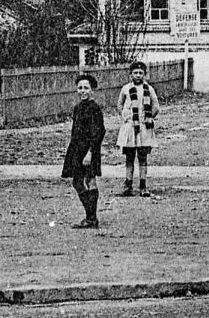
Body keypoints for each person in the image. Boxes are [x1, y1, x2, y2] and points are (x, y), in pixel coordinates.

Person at [61, 72, 106, 229]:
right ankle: (91, 217)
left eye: (86, 88)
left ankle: (91, 217)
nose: (82, 91)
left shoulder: (94, 109)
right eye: (80, 88)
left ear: (92, 90)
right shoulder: (78, 108)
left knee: (88, 180)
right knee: (78, 181)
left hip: (88, 151)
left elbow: (98, 132)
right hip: (77, 150)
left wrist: (90, 153)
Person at [116, 61, 159, 197]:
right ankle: (128, 185)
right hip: (130, 126)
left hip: (144, 128)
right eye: (135, 73)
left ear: (144, 75)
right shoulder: (126, 89)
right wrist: (125, 118)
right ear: (130, 75)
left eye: (141, 73)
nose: (138, 75)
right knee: (129, 157)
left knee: (142, 157)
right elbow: (120, 104)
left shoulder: (149, 89)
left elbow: (156, 107)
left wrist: (149, 117)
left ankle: (143, 185)